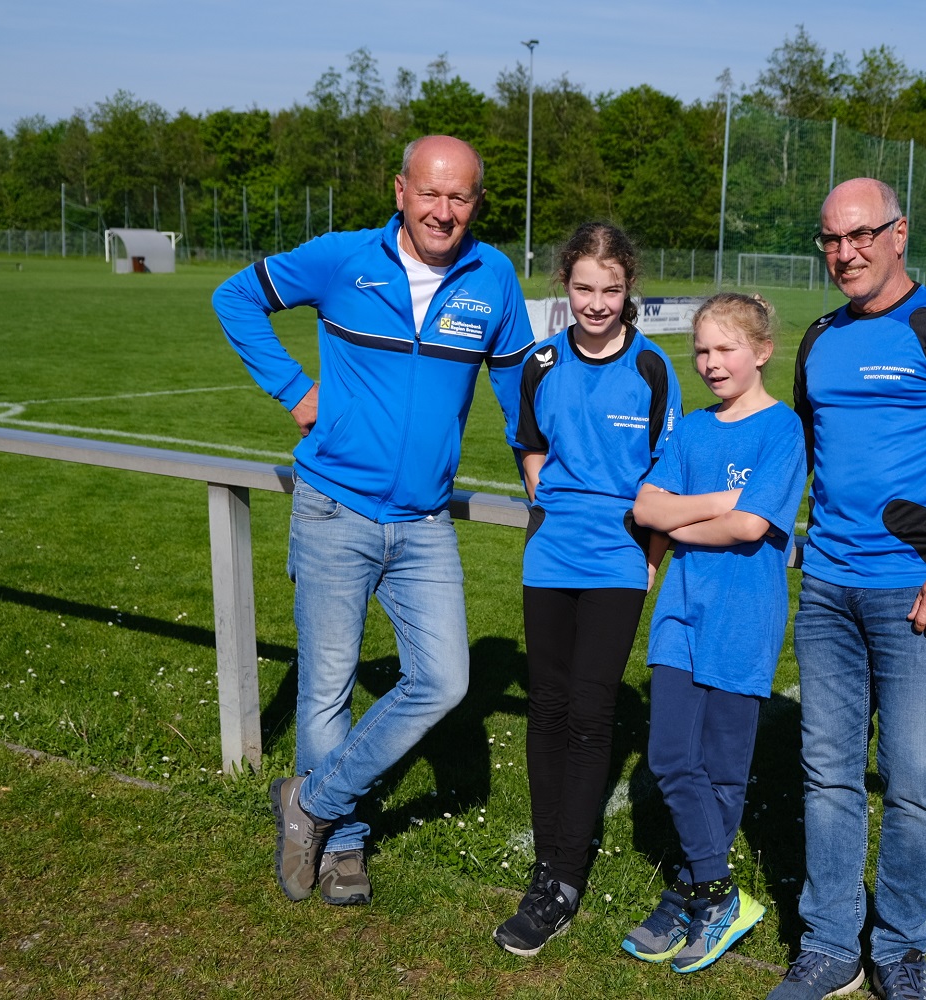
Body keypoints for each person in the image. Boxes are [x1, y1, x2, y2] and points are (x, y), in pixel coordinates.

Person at [211, 135, 534, 907]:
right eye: (430, 193)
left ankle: (311, 803)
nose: (443, 211)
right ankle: (346, 846)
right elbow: (236, 297)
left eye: (460, 197)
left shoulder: (492, 277)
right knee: (327, 690)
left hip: (425, 523)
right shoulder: (341, 258)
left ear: (476, 203)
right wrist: (294, 389)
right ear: (400, 191)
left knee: (445, 680)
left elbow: (520, 382)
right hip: (334, 509)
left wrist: (537, 465)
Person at [768, 179, 926, 1000]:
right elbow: (803, 451)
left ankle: (901, 950)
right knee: (828, 776)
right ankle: (831, 946)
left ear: (898, 234)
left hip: (914, 594)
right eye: (832, 239)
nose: (846, 253)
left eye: (862, 235)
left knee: (913, 781)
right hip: (827, 591)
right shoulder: (819, 338)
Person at [493, 222, 683, 957]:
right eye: (583, 288)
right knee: (546, 708)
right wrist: (551, 505)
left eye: (610, 289)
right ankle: (549, 863)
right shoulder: (541, 362)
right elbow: (530, 445)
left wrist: (649, 557)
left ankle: (565, 880)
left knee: (590, 711)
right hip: (549, 557)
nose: (597, 303)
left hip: (617, 563)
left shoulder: (653, 367)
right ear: (564, 286)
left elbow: (666, 471)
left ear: (629, 287)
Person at [623, 293, 807, 973]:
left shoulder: (783, 429)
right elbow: (647, 508)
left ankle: (689, 893)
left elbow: (751, 527)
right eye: (701, 350)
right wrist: (721, 504)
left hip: (743, 617)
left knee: (724, 770)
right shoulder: (692, 429)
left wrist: (686, 518)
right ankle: (718, 891)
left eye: (726, 348)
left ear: (761, 352)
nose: (711, 362)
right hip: (680, 611)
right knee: (671, 756)